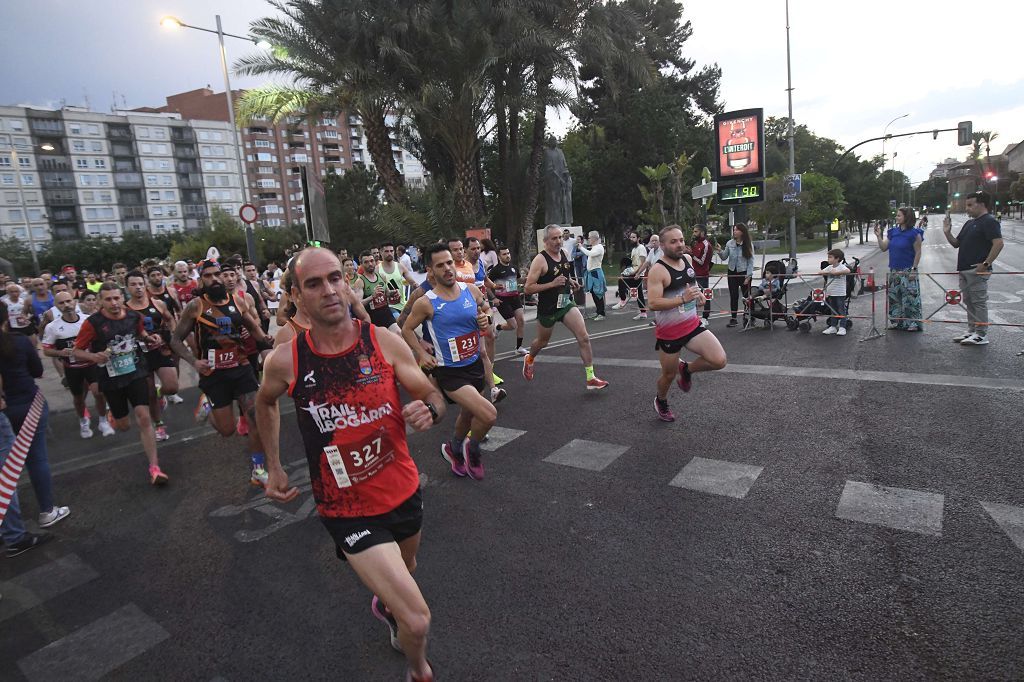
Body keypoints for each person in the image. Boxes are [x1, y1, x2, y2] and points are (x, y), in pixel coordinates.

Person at [258, 248, 444, 682]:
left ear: (348, 282)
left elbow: (430, 393)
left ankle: (388, 601)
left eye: (335, 278)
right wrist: (273, 465)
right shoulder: (287, 359)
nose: (329, 290)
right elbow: (264, 403)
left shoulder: (381, 340)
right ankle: (419, 671)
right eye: (314, 284)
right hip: (345, 506)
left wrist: (430, 410)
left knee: (408, 569)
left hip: (402, 488)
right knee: (416, 619)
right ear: (296, 297)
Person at [170, 259, 273, 486]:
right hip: (213, 373)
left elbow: (253, 328)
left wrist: (266, 341)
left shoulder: (237, 301)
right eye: (208, 276)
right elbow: (175, 340)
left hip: (241, 367)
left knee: (256, 418)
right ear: (201, 279)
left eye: (217, 274)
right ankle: (206, 403)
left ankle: (258, 469)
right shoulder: (195, 306)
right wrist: (194, 362)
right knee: (227, 430)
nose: (215, 279)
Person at [402, 243, 495, 480]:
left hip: (474, 364)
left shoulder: (471, 290)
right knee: (488, 414)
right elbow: (407, 329)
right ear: (430, 271)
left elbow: (487, 310)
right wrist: (421, 354)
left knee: (467, 414)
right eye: (440, 265)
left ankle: (453, 449)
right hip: (450, 372)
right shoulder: (427, 302)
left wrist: (486, 318)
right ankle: (471, 449)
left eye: (449, 263)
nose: (447, 269)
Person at [75, 282, 169, 485]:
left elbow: (141, 333)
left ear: (122, 297)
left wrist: (150, 338)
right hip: (111, 379)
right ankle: (114, 414)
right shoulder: (93, 323)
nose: (114, 303)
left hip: (135, 372)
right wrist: (93, 357)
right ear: (100, 301)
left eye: (117, 298)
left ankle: (154, 467)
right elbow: (76, 351)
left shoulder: (133, 316)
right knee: (124, 425)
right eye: (108, 299)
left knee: (144, 418)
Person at [0, 301, 72, 528]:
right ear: (6, 318)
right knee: (36, 458)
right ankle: (47, 510)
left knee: (5, 469)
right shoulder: (19, 342)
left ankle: (8, 524)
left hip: (7, 407)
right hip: (26, 404)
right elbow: (37, 371)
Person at [646, 226, 728, 422]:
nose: (679, 244)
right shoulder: (658, 270)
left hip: (691, 325)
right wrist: (682, 299)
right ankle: (661, 400)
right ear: (663, 245)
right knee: (668, 375)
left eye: (681, 240)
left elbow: (691, 284)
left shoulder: (687, 260)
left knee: (719, 360)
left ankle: (687, 369)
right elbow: (653, 303)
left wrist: (697, 293)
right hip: (669, 333)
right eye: (673, 242)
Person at [522, 225, 609, 390]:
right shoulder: (540, 260)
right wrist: (552, 284)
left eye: (560, 237)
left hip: (565, 303)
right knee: (542, 342)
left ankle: (591, 378)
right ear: (545, 241)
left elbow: (563, 272)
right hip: (547, 308)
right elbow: (528, 288)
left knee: (583, 337)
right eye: (554, 238)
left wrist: (570, 281)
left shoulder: (565, 253)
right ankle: (530, 358)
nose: (558, 241)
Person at [41, 291, 115, 438]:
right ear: (56, 306)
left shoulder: (88, 320)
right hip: (72, 369)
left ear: (74, 302)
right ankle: (83, 421)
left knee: (99, 393)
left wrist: (103, 352)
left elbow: (104, 339)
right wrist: (61, 353)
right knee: (78, 398)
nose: (66, 305)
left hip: (91, 364)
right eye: (61, 303)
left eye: (68, 301)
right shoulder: (52, 327)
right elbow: (47, 350)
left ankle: (102, 421)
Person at [943, 191, 1004, 346]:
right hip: (964, 268)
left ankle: (981, 334)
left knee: (978, 302)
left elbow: (998, 243)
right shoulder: (970, 223)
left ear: (981, 204)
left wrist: (985, 264)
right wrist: (947, 232)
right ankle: (972, 330)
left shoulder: (989, 221)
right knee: (969, 301)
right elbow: (956, 243)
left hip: (977, 269)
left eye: (970, 205)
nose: (967, 209)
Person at [125, 271, 179, 441]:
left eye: (140, 284)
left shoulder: (157, 303)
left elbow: (170, 319)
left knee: (172, 387)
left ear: (145, 284)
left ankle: (160, 392)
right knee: (148, 394)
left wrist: (171, 333)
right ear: (127, 287)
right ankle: (159, 424)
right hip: (140, 354)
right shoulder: (125, 309)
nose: (138, 288)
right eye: (133, 284)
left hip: (160, 349)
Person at [875, 206, 924, 332]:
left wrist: (914, 268)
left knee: (910, 297)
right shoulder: (893, 232)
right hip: (894, 269)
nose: (896, 217)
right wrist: (879, 236)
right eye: (896, 215)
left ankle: (913, 322)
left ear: (906, 217)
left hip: (908, 269)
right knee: (895, 296)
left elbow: (918, 252)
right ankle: (898, 321)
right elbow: (883, 248)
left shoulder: (914, 233)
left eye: (899, 215)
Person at [488, 245, 528, 355]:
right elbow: (487, 285)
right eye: (504, 254)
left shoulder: (514, 268)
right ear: (499, 256)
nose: (507, 256)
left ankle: (519, 347)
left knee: (521, 321)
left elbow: (519, 279)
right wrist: (493, 298)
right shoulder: (495, 270)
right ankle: (499, 327)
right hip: (502, 300)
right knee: (513, 325)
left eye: (508, 253)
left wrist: (528, 279)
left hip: (515, 298)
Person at [717, 223, 754, 327]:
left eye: (736, 230)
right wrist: (720, 251)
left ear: (742, 232)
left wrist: (748, 275)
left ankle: (751, 316)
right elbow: (724, 257)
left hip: (744, 272)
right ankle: (733, 318)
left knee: (747, 297)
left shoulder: (748, 244)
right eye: (734, 230)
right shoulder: (730, 243)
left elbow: (751, 261)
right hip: (732, 272)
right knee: (733, 295)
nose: (734, 231)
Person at [815, 249, 851, 336]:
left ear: (837, 258)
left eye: (830, 257)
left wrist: (837, 273)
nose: (828, 259)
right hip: (831, 293)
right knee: (833, 310)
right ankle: (833, 326)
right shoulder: (830, 267)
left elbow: (848, 271)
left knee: (841, 310)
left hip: (839, 293)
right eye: (828, 257)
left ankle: (842, 327)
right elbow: (820, 272)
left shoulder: (841, 266)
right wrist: (828, 272)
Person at [613, 230, 648, 314]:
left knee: (621, 280)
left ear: (638, 238)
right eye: (630, 237)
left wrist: (637, 273)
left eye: (633, 237)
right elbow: (633, 263)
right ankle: (643, 313)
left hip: (638, 274)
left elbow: (643, 263)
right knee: (639, 294)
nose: (631, 239)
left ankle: (623, 300)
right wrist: (628, 270)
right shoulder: (633, 249)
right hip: (634, 272)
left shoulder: (641, 248)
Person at [577, 230, 607, 320]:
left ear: (594, 238)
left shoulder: (599, 247)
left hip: (596, 272)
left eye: (589, 238)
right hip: (591, 272)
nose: (588, 239)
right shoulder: (595, 247)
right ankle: (598, 312)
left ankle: (601, 313)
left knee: (598, 293)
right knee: (593, 293)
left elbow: (590, 254)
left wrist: (581, 248)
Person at [690, 226, 714, 322]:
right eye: (693, 231)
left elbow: (702, 262)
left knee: (705, 294)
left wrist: (691, 254)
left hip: (702, 274)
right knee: (693, 295)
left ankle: (705, 317)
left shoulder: (706, 245)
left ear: (702, 232)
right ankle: (693, 316)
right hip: (693, 273)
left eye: (696, 231)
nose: (694, 233)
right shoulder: (696, 243)